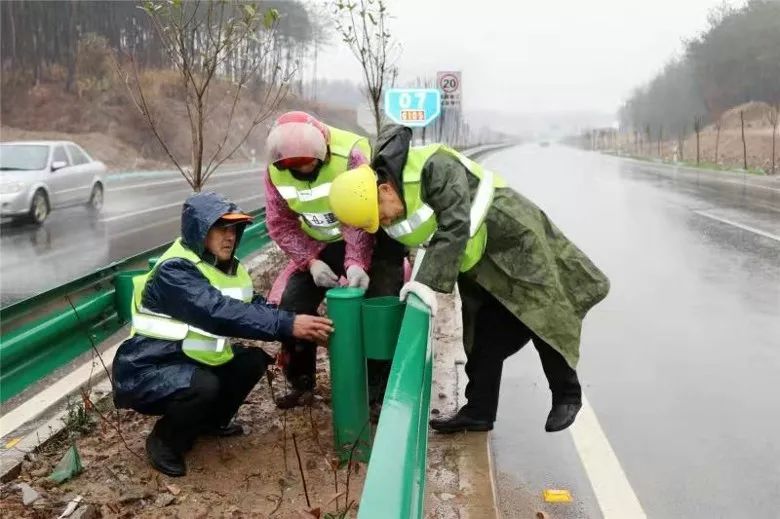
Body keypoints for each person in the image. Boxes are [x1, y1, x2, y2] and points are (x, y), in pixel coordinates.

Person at [328, 125, 610, 433]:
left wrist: (424, 283)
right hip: (473, 257)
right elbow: (391, 255)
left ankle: (567, 394)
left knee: (541, 312)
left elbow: (454, 224)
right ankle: (479, 411)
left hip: (512, 236)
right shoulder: (384, 199)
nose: (385, 220)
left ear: (383, 189)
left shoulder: (435, 167)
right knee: (480, 333)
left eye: (381, 214)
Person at [112, 192, 334, 477]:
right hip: (149, 366)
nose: (229, 237)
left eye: (234, 229)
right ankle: (164, 442)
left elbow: (251, 306)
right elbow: (216, 311)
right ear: (199, 230)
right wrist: (289, 324)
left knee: (252, 361)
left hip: (191, 358)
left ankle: (210, 423)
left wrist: (301, 323)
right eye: (220, 228)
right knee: (204, 387)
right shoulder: (175, 270)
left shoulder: (227, 268)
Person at [264, 111, 405, 409]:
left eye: (306, 164)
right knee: (293, 305)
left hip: (369, 236)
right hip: (319, 245)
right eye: (293, 166)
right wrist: (311, 261)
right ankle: (301, 383)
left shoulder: (350, 155)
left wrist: (355, 262)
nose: (300, 170)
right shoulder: (275, 171)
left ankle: (376, 392)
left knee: (378, 305)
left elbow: (360, 215)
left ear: (322, 151)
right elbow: (280, 223)